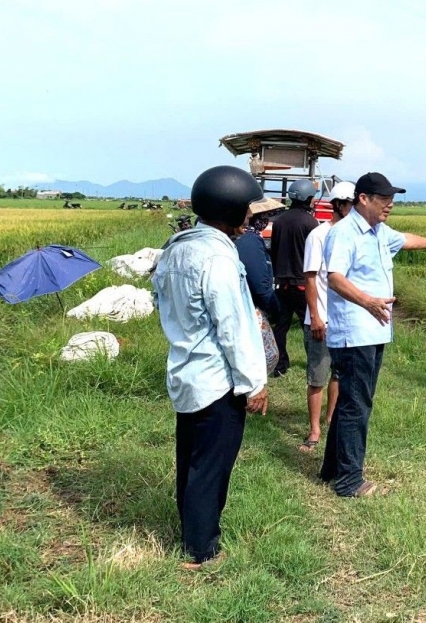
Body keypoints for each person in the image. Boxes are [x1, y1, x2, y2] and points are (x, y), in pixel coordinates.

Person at [151, 166, 269, 570]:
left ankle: (192, 534)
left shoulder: (176, 248)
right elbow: (234, 327)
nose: (251, 218)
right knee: (211, 467)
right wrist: (254, 383)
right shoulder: (218, 257)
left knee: (191, 461)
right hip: (217, 379)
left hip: (185, 371)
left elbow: (163, 306)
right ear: (231, 207)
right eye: (248, 210)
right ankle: (201, 550)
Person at [318, 172, 426, 497]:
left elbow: (404, 239)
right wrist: (367, 301)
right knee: (356, 404)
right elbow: (334, 277)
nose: (389, 204)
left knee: (354, 400)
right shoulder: (344, 234)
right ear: (363, 198)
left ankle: (332, 469)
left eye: (392, 199)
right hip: (355, 332)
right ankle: (350, 481)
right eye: (383, 199)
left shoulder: (378, 231)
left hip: (374, 330)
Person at [298, 180, 356, 452]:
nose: (354, 209)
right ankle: (314, 429)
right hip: (321, 319)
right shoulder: (318, 235)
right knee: (317, 376)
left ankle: (331, 420)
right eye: (351, 204)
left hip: (345, 320)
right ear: (339, 205)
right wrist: (316, 317)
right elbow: (310, 278)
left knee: (338, 375)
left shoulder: (353, 236)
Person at [269, 179, 319, 377]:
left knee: (281, 325)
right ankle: (314, 365)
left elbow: (273, 250)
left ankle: (279, 365)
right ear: (307, 198)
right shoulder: (310, 222)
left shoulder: (279, 220)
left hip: (282, 282)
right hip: (301, 282)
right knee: (309, 325)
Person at [236, 196, 285, 373]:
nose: (266, 221)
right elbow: (259, 283)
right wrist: (274, 307)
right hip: (250, 308)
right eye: (264, 216)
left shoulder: (244, 238)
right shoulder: (250, 240)